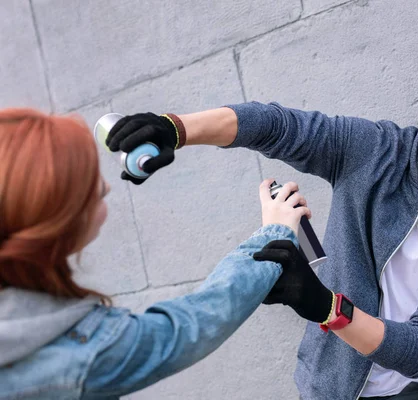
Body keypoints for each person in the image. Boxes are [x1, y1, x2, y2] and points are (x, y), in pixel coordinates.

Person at [105, 56, 418, 400]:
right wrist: (175, 130)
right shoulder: (377, 152)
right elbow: (276, 126)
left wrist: (325, 305)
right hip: (331, 388)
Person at [0, 108, 312, 399]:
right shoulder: (80, 353)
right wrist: (276, 233)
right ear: (52, 224)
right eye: (89, 187)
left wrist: (172, 128)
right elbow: (194, 325)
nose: (107, 189)